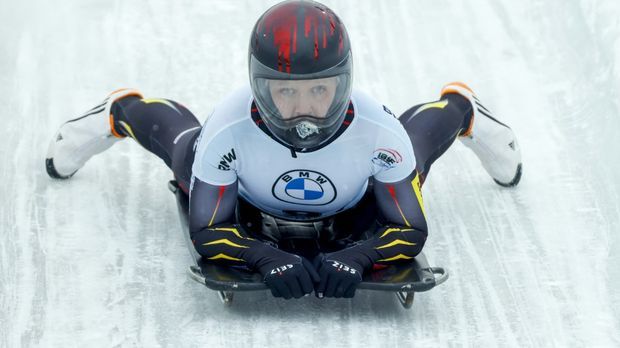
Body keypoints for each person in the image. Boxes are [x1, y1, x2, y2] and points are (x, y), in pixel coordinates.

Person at [45, 0, 522, 300]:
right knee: (183, 149)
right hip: (247, 192)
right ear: (258, 86)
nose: (304, 112)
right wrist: (260, 255)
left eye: (319, 91)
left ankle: (461, 106)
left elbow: (410, 230)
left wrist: (358, 256)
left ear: (344, 84)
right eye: (285, 92)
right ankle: (119, 109)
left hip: (357, 192)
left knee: (412, 152)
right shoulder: (228, 130)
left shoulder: (379, 132)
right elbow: (207, 229)